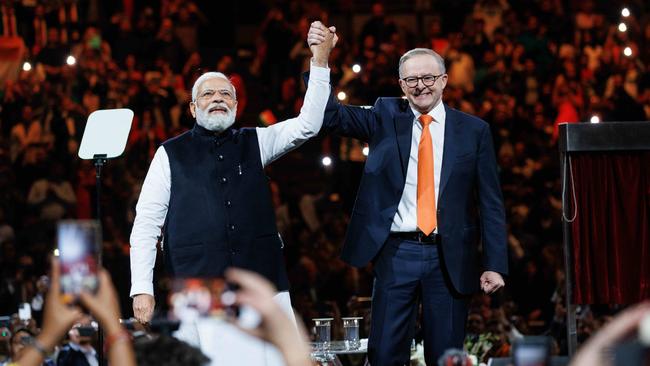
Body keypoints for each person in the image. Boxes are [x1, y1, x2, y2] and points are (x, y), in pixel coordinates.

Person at [129, 23, 337, 364]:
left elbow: (309, 124)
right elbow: (147, 223)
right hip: (198, 290)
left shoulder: (257, 140)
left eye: (226, 94)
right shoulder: (170, 153)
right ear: (193, 109)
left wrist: (320, 62)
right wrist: (142, 288)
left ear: (236, 106)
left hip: (261, 285)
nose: (217, 99)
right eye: (208, 95)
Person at [308, 22, 508, 365]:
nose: (421, 86)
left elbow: (490, 204)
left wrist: (494, 263)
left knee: (445, 358)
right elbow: (328, 117)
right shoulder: (385, 114)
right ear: (401, 85)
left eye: (429, 78)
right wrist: (320, 59)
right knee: (385, 355)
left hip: (450, 258)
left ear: (444, 80)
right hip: (396, 252)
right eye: (412, 80)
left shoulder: (474, 130)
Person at [14, 259, 136, 366]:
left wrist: (47, 338)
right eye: (79, 325)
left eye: (86, 325)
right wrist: (113, 327)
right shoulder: (66, 354)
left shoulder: (99, 354)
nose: (83, 327)